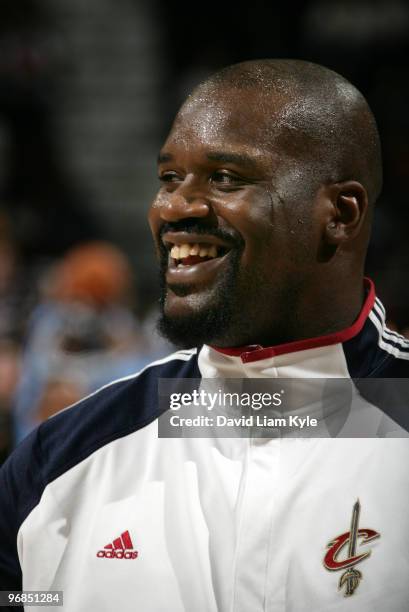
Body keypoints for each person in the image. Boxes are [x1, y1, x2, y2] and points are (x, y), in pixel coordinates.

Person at [1, 59, 409, 611]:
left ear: (341, 211)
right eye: (169, 178)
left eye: (225, 178)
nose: (174, 207)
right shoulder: (59, 462)